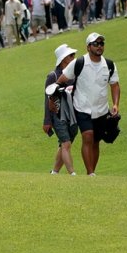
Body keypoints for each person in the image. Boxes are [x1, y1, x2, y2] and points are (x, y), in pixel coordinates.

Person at [57, 32, 120, 176]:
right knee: (88, 137)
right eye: (95, 44)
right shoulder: (79, 63)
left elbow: (115, 85)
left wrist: (116, 104)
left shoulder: (109, 65)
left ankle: (91, 172)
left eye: (101, 43)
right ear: (88, 47)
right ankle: (90, 173)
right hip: (82, 108)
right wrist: (57, 100)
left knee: (96, 141)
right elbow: (61, 79)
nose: (99, 46)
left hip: (101, 110)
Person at [43, 44, 78, 176]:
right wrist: (47, 121)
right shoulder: (53, 76)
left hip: (73, 115)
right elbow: (47, 99)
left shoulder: (73, 75)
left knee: (64, 146)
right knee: (66, 143)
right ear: (64, 59)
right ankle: (72, 173)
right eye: (71, 56)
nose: (73, 57)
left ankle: (54, 172)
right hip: (57, 115)